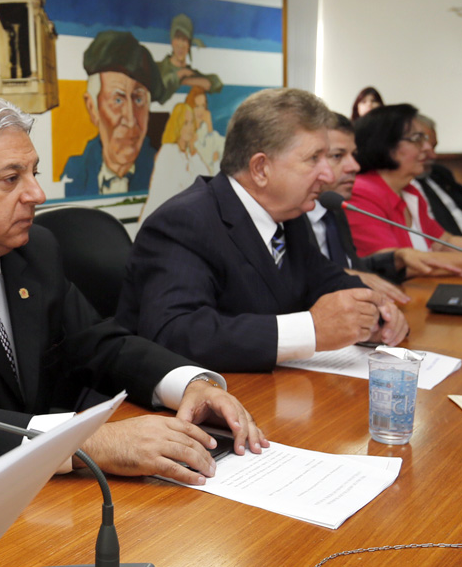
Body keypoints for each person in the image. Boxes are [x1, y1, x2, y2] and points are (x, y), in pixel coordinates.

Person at [0, 90, 266, 488]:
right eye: (11, 178)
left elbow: (98, 343)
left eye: (33, 172)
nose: (37, 193)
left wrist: (189, 383)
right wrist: (82, 441)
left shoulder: (33, 249)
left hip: (48, 497)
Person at [116, 88, 409, 374]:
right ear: (260, 168)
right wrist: (311, 330)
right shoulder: (184, 222)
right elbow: (175, 333)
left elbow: (326, 281)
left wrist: (375, 313)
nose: (329, 175)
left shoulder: (289, 215)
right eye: (313, 159)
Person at [304, 113, 462, 296]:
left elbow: (353, 266)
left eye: (353, 155)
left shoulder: (334, 210)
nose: (355, 166)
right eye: (338, 156)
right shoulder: (294, 217)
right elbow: (301, 281)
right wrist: (342, 276)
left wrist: (395, 258)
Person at [349, 104, 462, 272]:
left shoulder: (409, 191)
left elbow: (444, 242)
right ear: (385, 144)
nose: (427, 148)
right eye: (417, 139)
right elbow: (396, 266)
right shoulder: (360, 194)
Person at [62, 30, 160, 197]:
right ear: (93, 108)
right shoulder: (75, 173)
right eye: (118, 100)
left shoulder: (161, 171)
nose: (130, 119)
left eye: (138, 100)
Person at [414, 115, 462, 240]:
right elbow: (442, 244)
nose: (433, 156)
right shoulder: (404, 188)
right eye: (425, 150)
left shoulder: (439, 173)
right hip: (457, 255)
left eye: (433, 147)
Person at [141, 102, 211, 221]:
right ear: (177, 125)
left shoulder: (188, 154)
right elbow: (175, 190)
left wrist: (194, 151)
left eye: (191, 123)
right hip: (161, 222)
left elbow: (207, 181)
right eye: (185, 123)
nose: (190, 128)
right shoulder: (168, 151)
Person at [154, 14, 223, 106]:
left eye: (184, 40)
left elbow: (215, 83)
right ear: (172, 41)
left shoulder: (191, 73)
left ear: (189, 44)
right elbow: (160, 94)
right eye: (177, 38)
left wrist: (184, 80)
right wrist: (180, 74)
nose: (180, 45)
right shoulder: (157, 68)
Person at [187, 86, 224, 175]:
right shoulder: (187, 135)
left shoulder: (209, 133)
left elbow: (223, 149)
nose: (200, 110)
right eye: (197, 106)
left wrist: (209, 128)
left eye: (203, 106)